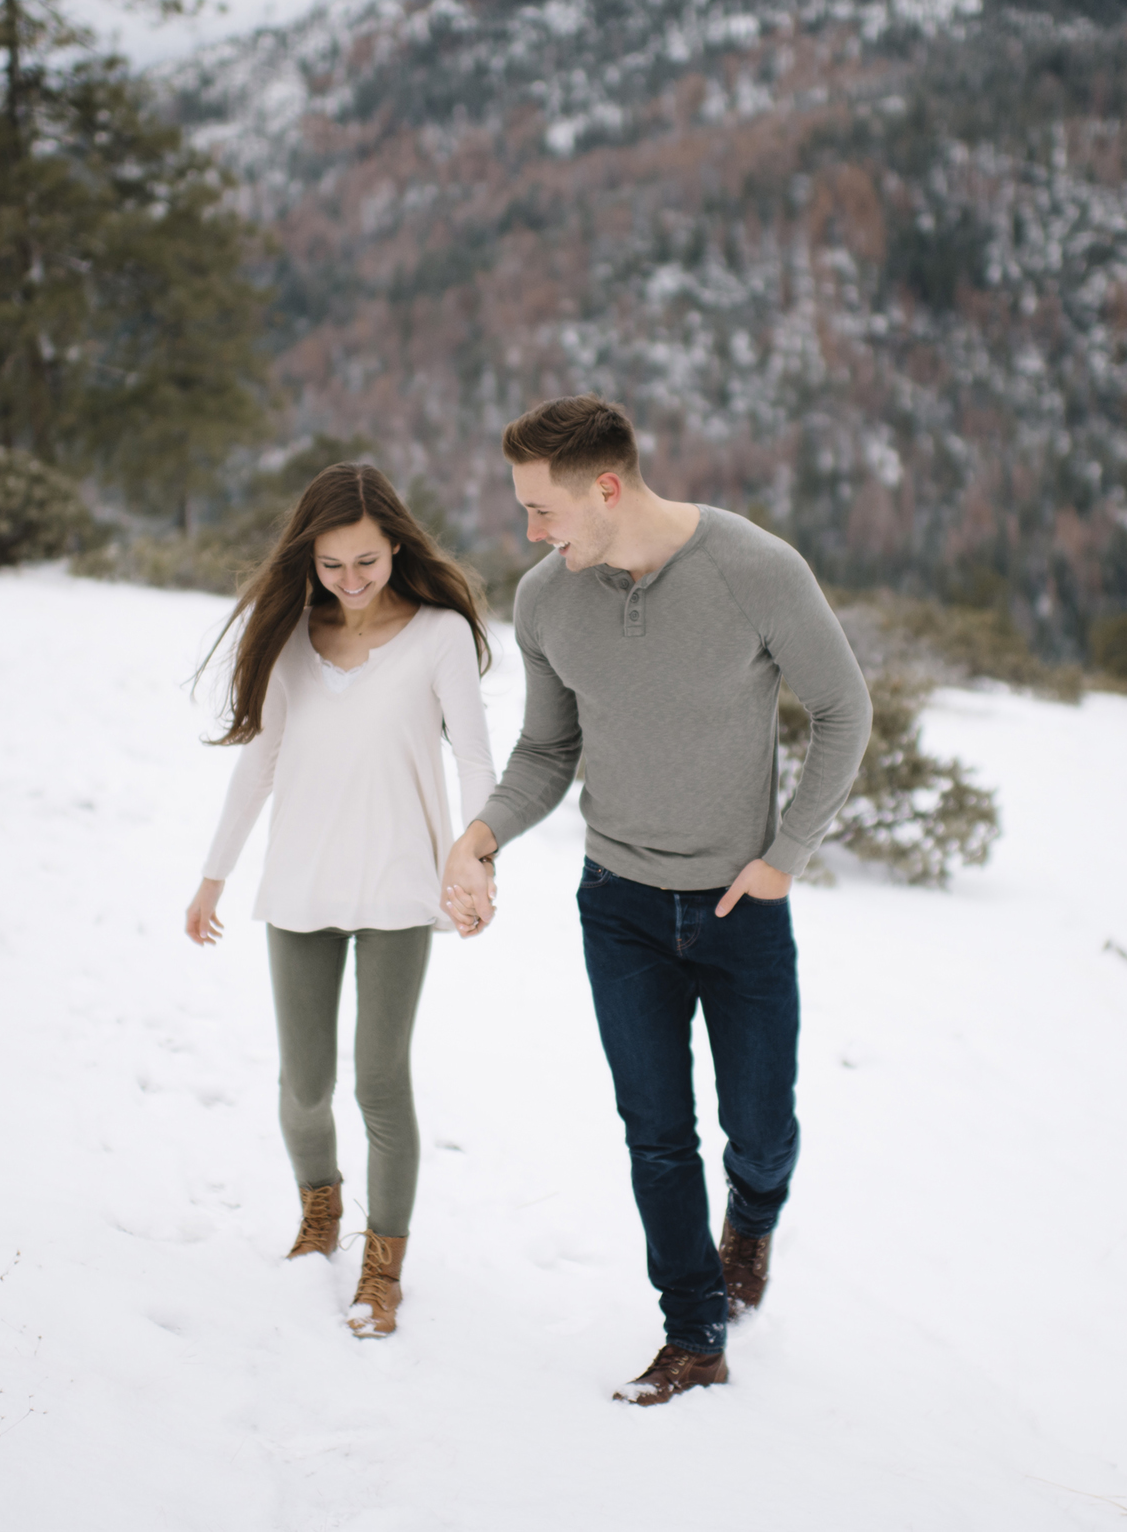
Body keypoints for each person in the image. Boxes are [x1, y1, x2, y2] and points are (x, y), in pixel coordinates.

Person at [441, 395, 871, 1406]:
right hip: (619, 906)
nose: (531, 533)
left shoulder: (754, 569)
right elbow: (548, 750)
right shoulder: (546, 599)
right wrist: (482, 833)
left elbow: (843, 708)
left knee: (758, 1130)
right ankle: (694, 1332)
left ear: (606, 486)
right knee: (655, 1131)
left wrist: (785, 854)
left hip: (739, 908)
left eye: (542, 510)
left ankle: (752, 1220)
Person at [187, 462, 495, 1339]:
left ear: (395, 543)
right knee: (304, 1084)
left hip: (403, 885)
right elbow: (261, 758)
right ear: (308, 559)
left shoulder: (436, 636)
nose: (351, 581)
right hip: (300, 884)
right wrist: (214, 873)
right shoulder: (288, 636)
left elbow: (475, 759)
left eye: (366, 561)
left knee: (379, 1081)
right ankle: (319, 1210)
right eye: (332, 565)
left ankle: (383, 1262)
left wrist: (477, 857)